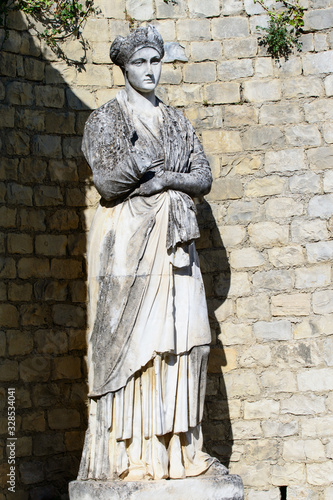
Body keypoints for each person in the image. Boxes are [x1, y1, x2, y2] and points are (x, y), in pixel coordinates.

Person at [78, 25, 216, 481]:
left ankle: (179, 452)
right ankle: (132, 457)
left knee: (184, 340)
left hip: (176, 240)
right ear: (124, 67)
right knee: (136, 344)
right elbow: (106, 182)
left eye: (156, 60)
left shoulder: (176, 120)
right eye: (140, 62)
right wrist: (142, 165)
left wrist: (167, 180)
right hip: (128, 242)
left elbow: (202, 176)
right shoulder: (106, 118)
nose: (150, 70)